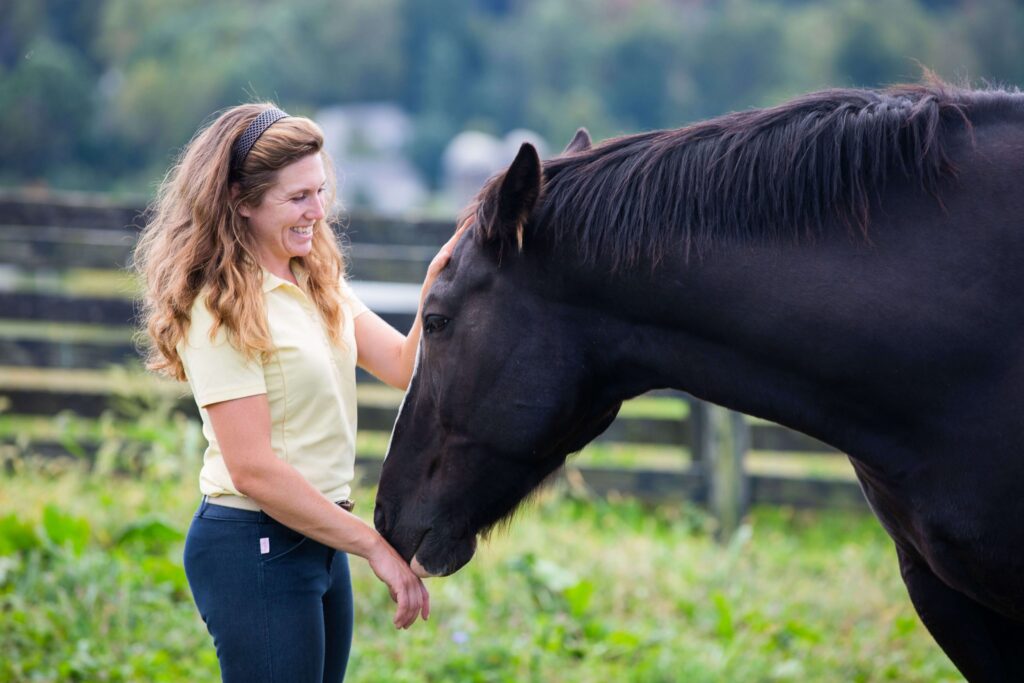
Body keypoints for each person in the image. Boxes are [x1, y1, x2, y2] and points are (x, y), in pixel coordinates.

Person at [134, 103, 464, 682]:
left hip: (317, 535)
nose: (318, 211)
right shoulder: (219, 308)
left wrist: (440, 281)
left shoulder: (315, 279)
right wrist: (376, 548)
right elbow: (253, 470)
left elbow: (399, 363)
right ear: (240, 201)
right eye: (297, 198)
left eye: (320, 190)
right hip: (253, 543)